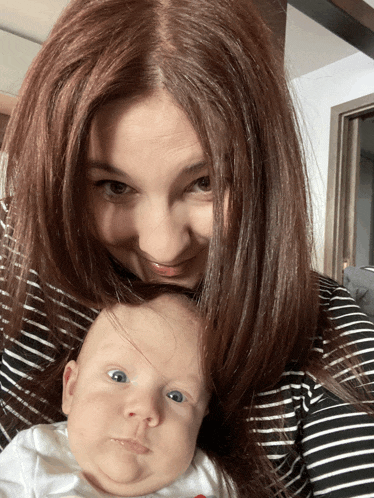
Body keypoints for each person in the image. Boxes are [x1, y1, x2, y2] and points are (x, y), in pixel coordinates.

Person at [0, 0, 373, 496]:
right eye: (114, 186)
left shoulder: (329, 333)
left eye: (205, 183)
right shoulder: (17, 256)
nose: (163, 247)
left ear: (266, 178)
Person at [0, 293, 232, 497]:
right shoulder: (36, 457)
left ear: (201, 418)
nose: (145, 409)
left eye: (177, 396)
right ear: (71, 388)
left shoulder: (211, 480)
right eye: (118, 377)